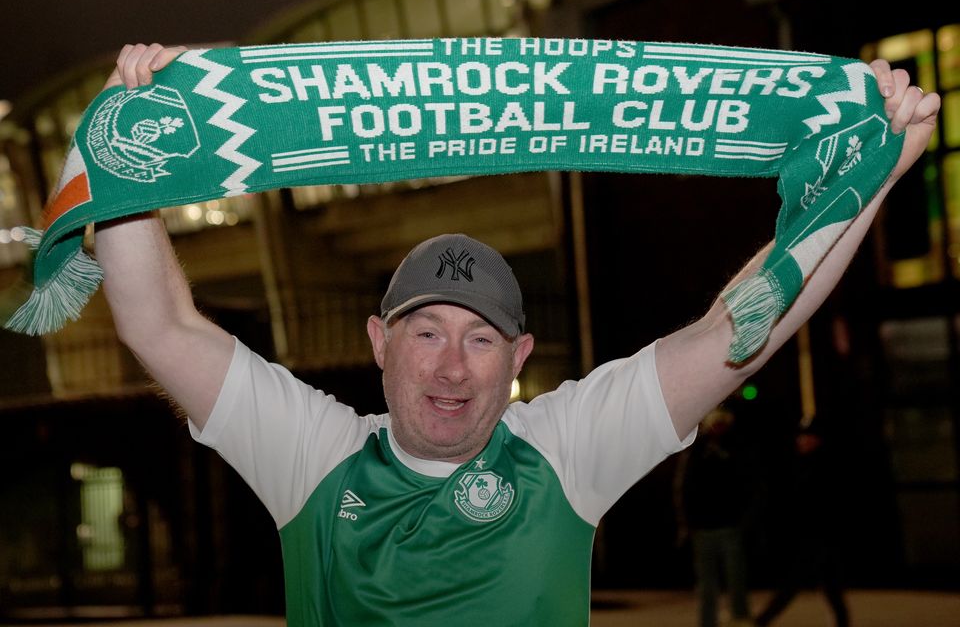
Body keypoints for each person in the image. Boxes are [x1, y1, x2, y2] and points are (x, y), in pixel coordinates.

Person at [95, 43, 940, 625]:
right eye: (425, 332)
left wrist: (872, 173)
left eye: (481, 338)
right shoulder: (312, 454)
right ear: (378, 344)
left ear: (519, 360)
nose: (452, 366)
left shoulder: (564, 449)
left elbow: (734, 333)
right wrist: (130, 149)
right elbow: (157, 322)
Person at [754, 420, 850, 627]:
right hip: (812, 537)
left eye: (806, 437)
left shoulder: (822, 467)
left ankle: (763, 620)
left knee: (797, 583)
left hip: (821, 537)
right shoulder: (799, 465)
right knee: (828, 587)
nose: (801, 441)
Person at [675, 407, 756, 627]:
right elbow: (684, 486)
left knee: (736, 577)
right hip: (703, 527)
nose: (718, 427)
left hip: (729, 524)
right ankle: (707, 621)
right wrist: (687, 522)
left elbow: (748, 484)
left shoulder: (736, 446)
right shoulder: (697, 449)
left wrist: (745, 518)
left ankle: (740, 617)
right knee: (706, 582)